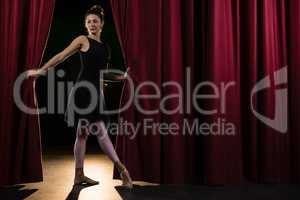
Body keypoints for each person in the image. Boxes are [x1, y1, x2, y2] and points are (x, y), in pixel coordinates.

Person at [26, 5, 133, 188]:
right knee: (98, 130)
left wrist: (122, 77)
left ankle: (79, 175)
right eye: (89, 21)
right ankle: (123, 170)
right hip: (82, 92)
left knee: (82, 133)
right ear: (85, 24)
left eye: (95, 21)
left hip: (96, 94)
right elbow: (61, 56)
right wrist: (41, 71)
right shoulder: (83, 40)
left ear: (101, 25)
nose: (92, 24)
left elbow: (103, 74)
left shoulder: (105, 47)